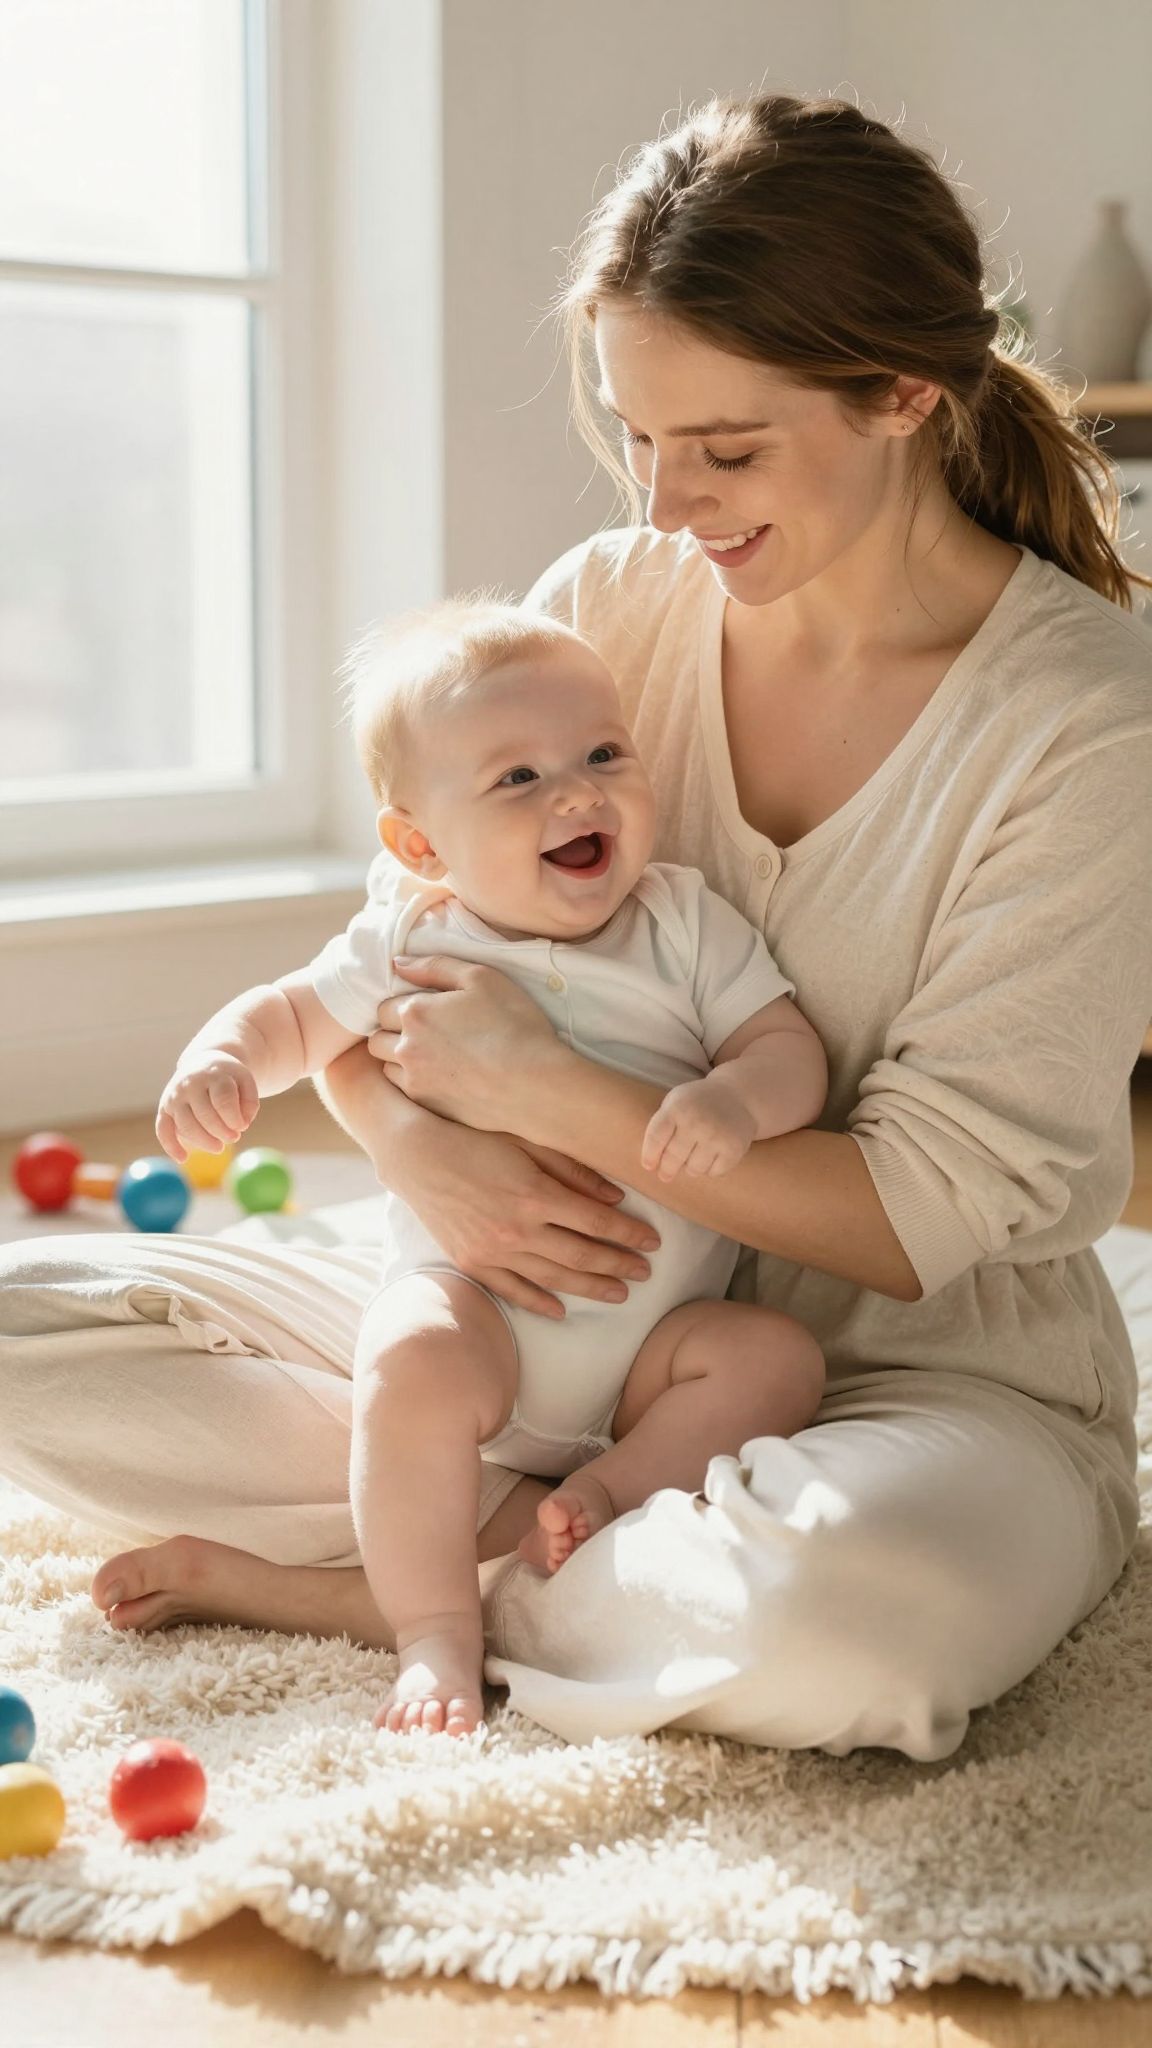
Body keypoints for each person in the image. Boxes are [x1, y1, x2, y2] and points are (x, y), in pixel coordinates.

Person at [3, 90, 1152, 1759]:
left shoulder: (1086, 719)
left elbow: (919, 1212)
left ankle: (403, 1587)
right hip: (532, 1341)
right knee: (28, 1336)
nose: (667, 500)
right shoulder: (607, 605)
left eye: (728, 448)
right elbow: (394, 977)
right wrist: (416, 1148)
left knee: (844, 1623)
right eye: (636, 436)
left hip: (915, 1389)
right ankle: (534, 1556)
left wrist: (554, 1099)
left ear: (904, 391)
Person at [150, 595, 828, 1734]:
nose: (577, 790)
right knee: (406, 1352)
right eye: (517, 779)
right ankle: (432, 1634)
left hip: (650, 1360)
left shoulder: (681, 921)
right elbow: (293, 1015)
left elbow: (789, 1051)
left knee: (776, 1358)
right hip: (483, 1329)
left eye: (604, 753)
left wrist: (733, 1097)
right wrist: (225, 1056)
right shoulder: (415, 934)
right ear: (422, 845)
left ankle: (596, 1497)